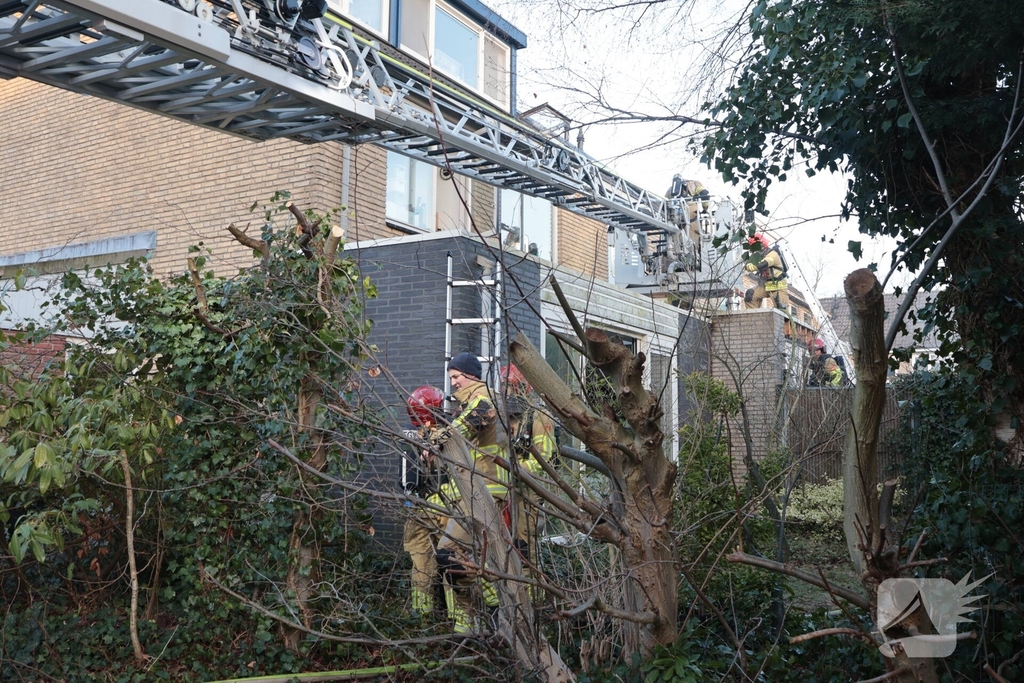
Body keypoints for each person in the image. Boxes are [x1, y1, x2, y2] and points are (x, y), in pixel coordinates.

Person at [435, 352, 509, 633]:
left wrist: (424, 437)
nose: (453, 383)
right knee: (476, 557)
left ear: (471, 375)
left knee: (447, 554)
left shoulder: (483, 400)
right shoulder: (478, 400)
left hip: (483, 491)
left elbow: (454, 434)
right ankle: (481, 617)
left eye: (456, 377)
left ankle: (489, 606)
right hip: (477, 491)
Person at [500, 364, 556, 568]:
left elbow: (544, 456)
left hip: (529, 491)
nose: (504, 392)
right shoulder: (502, 418)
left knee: (524, 546)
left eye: (508, 387)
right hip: (504, 489)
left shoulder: (538, 416)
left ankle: (530, 594)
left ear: (521, 388)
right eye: (503, 387)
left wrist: (517, 468)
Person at [401, 385, 446, 617]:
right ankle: (460, 618)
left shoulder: (407, 434)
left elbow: (406, 480)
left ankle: (422, 615)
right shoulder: (444, 433)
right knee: (452, 561)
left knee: (421, 564)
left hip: (414, 507)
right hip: (442, 507)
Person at [741, 233, 792, 338]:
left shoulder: (772, 254)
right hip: (767, 284)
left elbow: (763, 264)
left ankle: (783, 335)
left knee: (781, 309)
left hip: (778, 286)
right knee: (750, 295)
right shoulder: (759, 256)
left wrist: (751, 267)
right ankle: (754, 324)